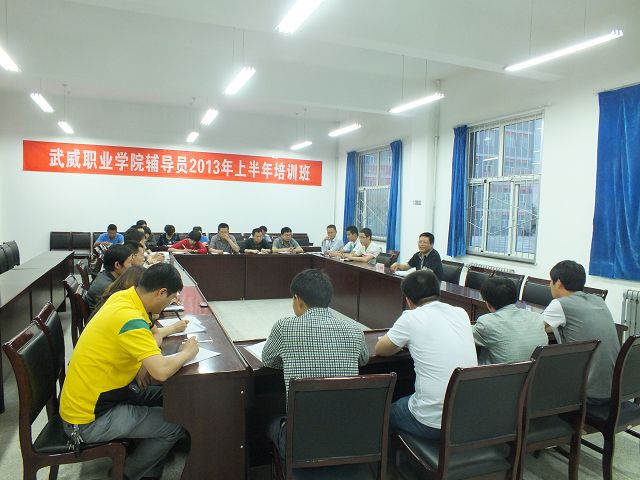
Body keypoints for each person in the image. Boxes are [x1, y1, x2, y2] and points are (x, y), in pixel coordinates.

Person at [60, 263, 198, 480]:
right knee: (174, 425)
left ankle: (149, 460)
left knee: (171, 397)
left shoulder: (125, 297)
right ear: (161, 292)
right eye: (171, 298)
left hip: (103, 395)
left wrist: (142, 364)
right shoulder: (130, 318)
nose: (171, 303)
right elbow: (161, 372)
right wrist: (187, 353)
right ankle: (128, 473)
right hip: (89, 419)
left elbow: (149, 337)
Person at [263, 268, 369, 455]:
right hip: (348, 436)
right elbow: (363, 359)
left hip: (301, 441)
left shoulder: (284, 327)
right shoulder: (354, 329)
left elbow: (268, 360)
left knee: (271, 421)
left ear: (298, 299)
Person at [375, 270, 477, 440]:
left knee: (387, 411)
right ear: (438, 291)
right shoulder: (461, 312)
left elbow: (381, 349)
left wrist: (402, 343)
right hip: (466, 416)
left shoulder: (411, 318)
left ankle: (394, 453)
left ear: (408, 299)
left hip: (431, 422)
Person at [542, 260, 620, 404]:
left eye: (550, 281)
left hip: (586, 393)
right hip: (614, 389)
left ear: (558, 283)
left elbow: (533, 329)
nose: (549, 285)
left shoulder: (560, 304)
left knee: (538, 371)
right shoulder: (598, 300)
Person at [473, 276, 548, 364]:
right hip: (536, 372)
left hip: (500, 372)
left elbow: (466, 336)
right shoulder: (537, 318)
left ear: (487, 303)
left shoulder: (486, 323)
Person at [85, 244, 133, 310]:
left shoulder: (105, 274)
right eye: (129, 262)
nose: (131, 266)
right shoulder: (108, 287)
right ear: (117, 265)